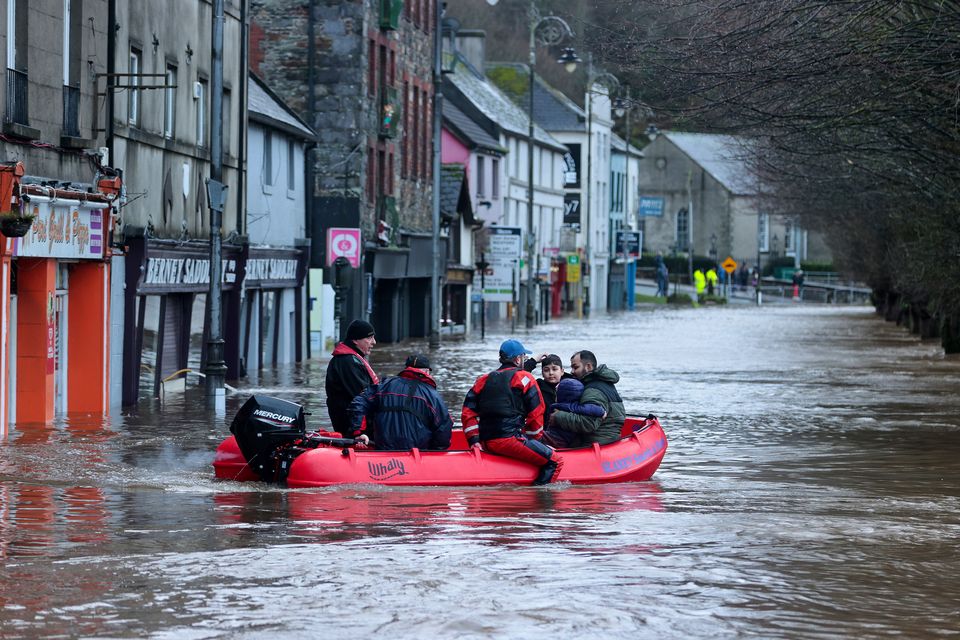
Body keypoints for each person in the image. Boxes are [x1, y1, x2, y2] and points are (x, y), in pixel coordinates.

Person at [461, 339, 563, 485]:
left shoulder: (483, 380)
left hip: (486, 441)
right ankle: (540, 501)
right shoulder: (525, 378)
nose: (524, 360)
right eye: (523, 357)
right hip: (509, 440)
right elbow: (536, 413)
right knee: (555, 461)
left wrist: (474, 441)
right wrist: (537, 442)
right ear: (517, 359)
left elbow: (467, 413)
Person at [350, 354, 453, 451]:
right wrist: (435, 451)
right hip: (417, 455)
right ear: (427, 372)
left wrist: (359, 432)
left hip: (382, 454)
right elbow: (444, 428)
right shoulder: (432, 396)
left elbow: (359, 403)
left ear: (406, 369)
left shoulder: (383, 386)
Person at [546, 350, 625, 447]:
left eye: (575, 367)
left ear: (588, 367)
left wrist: (558, 417)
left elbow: (589, 423)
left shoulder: (593, 390)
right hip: (610, 439)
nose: (572, 371)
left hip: (596, 443)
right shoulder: (603, 382)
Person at [325, 319, 378, 437]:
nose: (374, 342)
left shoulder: (352, 359)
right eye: (369, 338)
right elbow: (364, 396)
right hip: (353, 427)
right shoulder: (347, 362)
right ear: (355, 340)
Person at [542, 378, 606, 448]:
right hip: (564, 438)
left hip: (558, 439)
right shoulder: (576, 407)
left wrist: (601, 412)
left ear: (561, 395)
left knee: (534, 438)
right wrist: (602, 412)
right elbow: (591, 408)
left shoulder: (563, 406)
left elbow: (592, 409)